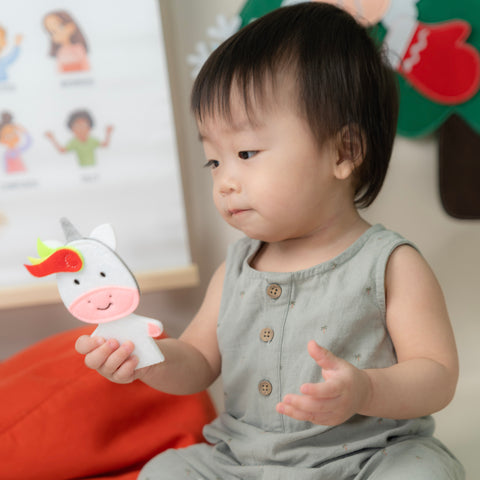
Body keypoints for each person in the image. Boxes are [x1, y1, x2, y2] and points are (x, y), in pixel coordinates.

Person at [75, 3, 465, 478]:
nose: (224, 181)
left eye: (245, 152)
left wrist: (365, 390)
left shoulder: (388, 263)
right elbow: (197, 362)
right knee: (164, 471)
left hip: (366, 458)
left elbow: (437, 376)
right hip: (245, 462)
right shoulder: (237, 267)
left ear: (344, 152)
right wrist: (147, 358)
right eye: (213, 161)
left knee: (421, 472)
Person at [45, 110, 113, 167]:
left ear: (89, 128)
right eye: (77, 126)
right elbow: (62, 150)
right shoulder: (74, 142)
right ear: (72, 129)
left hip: (94, 167)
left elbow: (105, 145)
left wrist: (108, 133)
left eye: (84, 125)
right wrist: (52, 139)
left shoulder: (92, 140)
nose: (81, 129)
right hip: (82, 169)